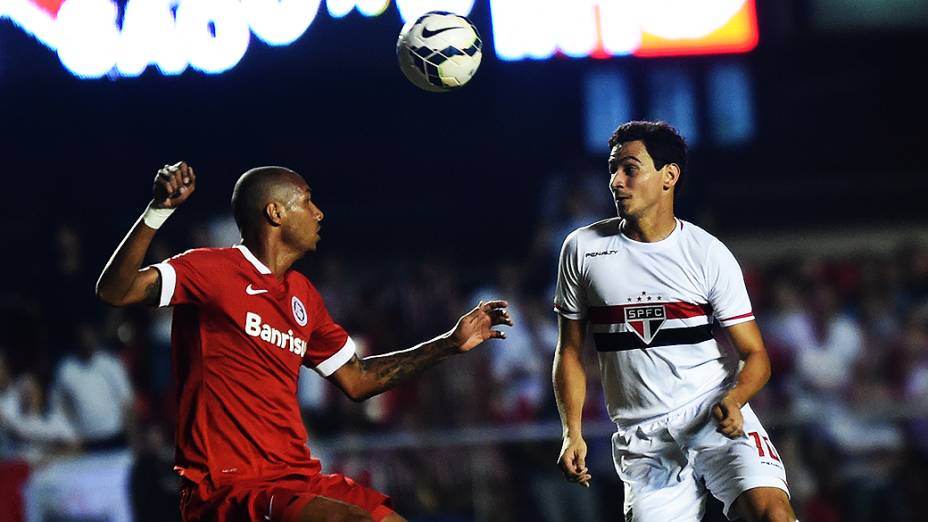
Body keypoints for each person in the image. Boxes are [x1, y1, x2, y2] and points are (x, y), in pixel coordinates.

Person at [96, 162, 511, 522]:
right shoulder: (212, 270)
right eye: (308, 201)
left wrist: (447, 344)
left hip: (296, 478)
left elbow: (358, 379)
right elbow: (116, 291)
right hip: (229, 489)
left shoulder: (303, 296)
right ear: (275, 212)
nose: (319, 213)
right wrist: (156, 213)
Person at [552, 121, 798, 522]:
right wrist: (571, 431)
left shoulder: (707, 253)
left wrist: (733, 400)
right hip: (643, 440)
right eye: (612, 168)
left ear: (669, 176)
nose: (615, 181)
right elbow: (570, 353)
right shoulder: (582, 249)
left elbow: (756, 355)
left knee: (774, 515)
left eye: (629, 168)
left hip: (712, 414)